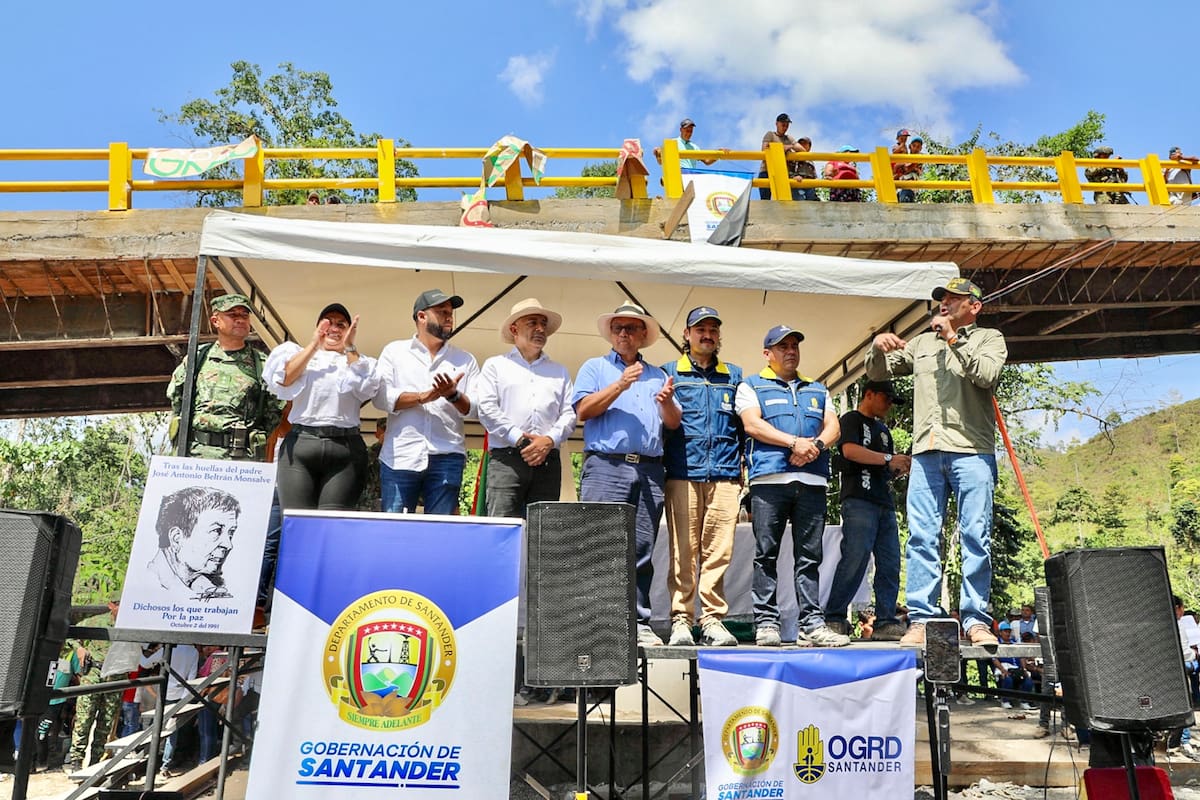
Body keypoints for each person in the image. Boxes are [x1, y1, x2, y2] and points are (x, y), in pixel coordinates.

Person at [866, 277, 1007, 648]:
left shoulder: (989, 339)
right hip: (926, 452)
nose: (943, 304)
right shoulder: (922, 343)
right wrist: (878, 347)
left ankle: (976, 621)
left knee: (976, 536)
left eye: (953, 299)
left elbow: (986, 375)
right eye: (941, 298)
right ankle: (923, 620)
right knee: (922, 537)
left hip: (972, 451)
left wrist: (953, 339)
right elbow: (878, 372)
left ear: (973, 306)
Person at [573, 302, 681, 646]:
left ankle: (638, 622)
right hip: (607, 465)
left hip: (649, 469)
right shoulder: (595, 367)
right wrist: (620, 385)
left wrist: (665, 401)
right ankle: (598, 625)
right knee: (600, 546)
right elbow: (582, 411)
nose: (624, 333)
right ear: (611, 333)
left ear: (643, 336)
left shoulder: (658, 374)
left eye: (631, 328)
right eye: (618, 328)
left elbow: (674, 422)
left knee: (642, 549)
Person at [736, 324, 848, 648]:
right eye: (782, 346)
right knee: (765, 554)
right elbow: (752, 424)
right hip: (769, 480)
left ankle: (811, 623)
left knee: (810, 557)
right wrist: (794, 443)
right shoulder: (751, 385)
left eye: (794, 345)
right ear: (767, 353)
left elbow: (834, 426)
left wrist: (815, 446)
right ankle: (767, 623)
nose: (790, 351)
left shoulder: (817, 388)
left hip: (812, 481)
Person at [661, 306, 742, 647]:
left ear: (719, 336)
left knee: (719, 552)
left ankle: (711, 620)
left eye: (712, 329)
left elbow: (744, 426)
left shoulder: (735, 376)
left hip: (725, 475)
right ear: (687, 335)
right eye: (700, 329)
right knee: (683, 549)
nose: (707, 335)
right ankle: (681, 619)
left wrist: (743, 478)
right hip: (682, 472)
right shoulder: (669, 372)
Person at [373, 289, 479, 515]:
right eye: (442, 312)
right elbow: (380, 398)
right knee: (394, 533)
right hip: (401, 456)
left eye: (450, 313)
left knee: (440, 533)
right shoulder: (394, 352)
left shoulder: (465, 359)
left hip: (447, 455)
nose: (449, 317)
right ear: (421, 316)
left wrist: (453, 395)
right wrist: (424, 397)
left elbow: (475, 410)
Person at [266, 302, 380, 510]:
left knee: (332, 523)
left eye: (341, 325)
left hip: (345, 446)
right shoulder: (298, 353)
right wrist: (313, 345)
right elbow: (284, 378)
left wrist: (350, 347)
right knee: (297, 521)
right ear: (318, 326)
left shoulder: (361, 362)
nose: (334, 329)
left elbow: (369, 388)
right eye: (328, 323)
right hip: (302, 442)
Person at [824, 380, 911, 641]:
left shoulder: (884, 431)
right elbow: (849, 451)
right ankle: (835, 616)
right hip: (858, 500)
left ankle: (885, 619)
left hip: (883, 501)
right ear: (869, 394)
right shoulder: (850, 419)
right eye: (886, 398)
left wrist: (897, 467)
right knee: (856, 556)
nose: (888, 406)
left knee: (890, 561)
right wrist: (887, 459)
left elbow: (885, 465)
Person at [476, 298, 576, 518]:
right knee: (502, 530)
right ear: (514, 329)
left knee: (542, 536)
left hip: (548, 459)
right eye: (532, 322)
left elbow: (569, 414)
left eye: (543, 324)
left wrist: (548, 440)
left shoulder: (559, 371)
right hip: (507, 458)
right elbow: (486, 409)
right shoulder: (496, 366)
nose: (541, 329)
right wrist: (521, 440)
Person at [148, 486, 241, 600]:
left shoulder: (207, 586)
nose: (228, 545)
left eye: (230, 533)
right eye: (216, 531)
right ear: (177, 538)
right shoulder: (148, 583)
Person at [758, 113, 804, 200]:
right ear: (777, 124)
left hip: (783, 173)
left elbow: (802, 150)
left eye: (787, 126)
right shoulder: (770, 135)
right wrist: (783, 148)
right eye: (783, 125)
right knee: (765, 200)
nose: (785, 128)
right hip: (767, 171)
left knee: (783, 200)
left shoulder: (789, 138)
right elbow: (764, 150)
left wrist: (789, 146)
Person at [652, 118, 727, 169]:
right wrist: (657, 155)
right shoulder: (672, 143)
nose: (689, 133)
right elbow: (661, 162)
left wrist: (719, 153)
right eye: (687, 131)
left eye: (691, 131)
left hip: (691, 178)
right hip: (678, 178)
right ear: (681, 130)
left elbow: (707, 161)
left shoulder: (694, 147)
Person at [356, 418, 387, 511]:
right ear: (377, 433)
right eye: (384, 430)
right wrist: (380, 444)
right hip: (369, 500)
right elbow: (367, 460)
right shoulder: (370, 452)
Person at [895, 136, 923, 203]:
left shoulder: (920, 157)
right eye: (914, 146)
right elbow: (896, 168)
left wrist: (901, 166)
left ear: (921, 149)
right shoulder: (905, 157)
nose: (916, 148)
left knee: (905, 202)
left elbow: (907, 168)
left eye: (918, 147)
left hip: (910, 188)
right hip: (900, 188)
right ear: (910, 146)